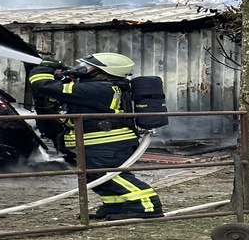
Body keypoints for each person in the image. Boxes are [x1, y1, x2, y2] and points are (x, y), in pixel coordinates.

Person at [27, 52, 163, 220]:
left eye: (88, 66)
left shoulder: (98, 88)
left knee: (108, 175)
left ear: (104, 71)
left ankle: (147, 204)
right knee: (94, 176)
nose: (81, 68)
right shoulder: (96, 87)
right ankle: (116, 205)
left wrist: (43, 68)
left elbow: (44, 85)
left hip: (107, 142)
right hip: (100, 141)